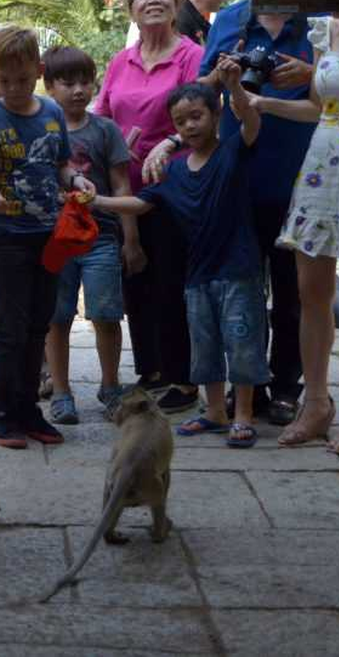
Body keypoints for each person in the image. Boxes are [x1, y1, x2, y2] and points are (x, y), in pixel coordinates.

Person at [144, 0, 316, 426]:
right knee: (241, 287)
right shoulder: (231, 20)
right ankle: (247, 389)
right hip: (237, 180)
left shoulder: (320, 20)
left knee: (293, 292)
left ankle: (286, 386)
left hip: (305, 176)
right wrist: (176, 138)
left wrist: (310, 75)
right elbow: (204, 98)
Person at [95, 76, 269, 447]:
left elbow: (251, 120)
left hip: (239, 270)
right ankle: (214, 412)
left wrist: (235, 85)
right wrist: (96, 201)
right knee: (203, 345)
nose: (189, 126)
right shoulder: (173, 170)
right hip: (197, 274)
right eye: (180, 121)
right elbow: (141, 203)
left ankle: (243, 414)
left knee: (241, 344)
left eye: (196, 116)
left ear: (216, 114)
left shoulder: (234, 150)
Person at [246, 12, 339, 454]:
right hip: (323, 162)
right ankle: (317, 404)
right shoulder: (328, 26)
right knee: (310, 290)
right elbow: (320, 106)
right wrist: (263, 103)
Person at [0, 26, 96, 449]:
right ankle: (0, 414)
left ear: (38, 72)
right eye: (5, 82)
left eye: (22, 80)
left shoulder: (52, 114)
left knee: (40, 324)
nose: (14, 89)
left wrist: (77, 180)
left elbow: (61, 165)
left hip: (48, 235)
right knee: (10, 329)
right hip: (3, 236)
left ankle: (28, 410)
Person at [96, 0, 204, 413]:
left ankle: (183, 376)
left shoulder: (191, 57)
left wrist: (167, 145)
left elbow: (201, 114)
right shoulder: (122, 60)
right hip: (125, 187)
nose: (154, 0)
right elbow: (102, 116)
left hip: (173, 187)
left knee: (171, 281)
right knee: (134, 277)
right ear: (132, 9)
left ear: (176, 4)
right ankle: (151, 370)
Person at [41, 46, 131, 424]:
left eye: (85, 81)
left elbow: (122, 185)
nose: (78, 90)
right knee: (56, 317)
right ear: (48, 86)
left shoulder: (105, 129)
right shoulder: (41, 128)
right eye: (67, 82)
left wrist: (133, 239)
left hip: (101, 239)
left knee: (106, 315)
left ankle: (111, 387)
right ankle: (61, 391)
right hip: (56, 240)